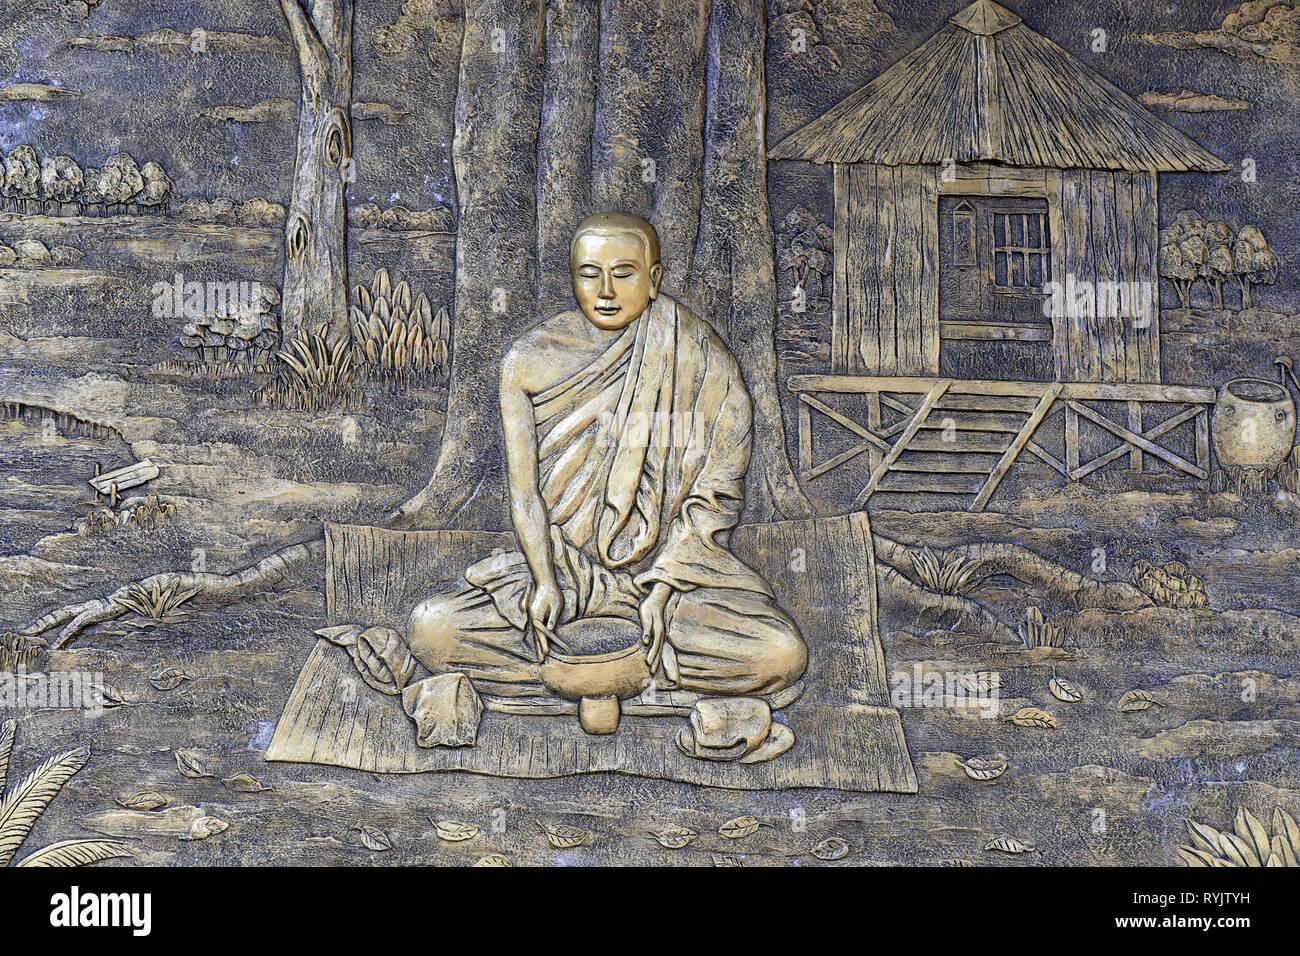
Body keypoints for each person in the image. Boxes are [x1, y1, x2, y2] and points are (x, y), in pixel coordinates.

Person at [405, 212, 806, 700]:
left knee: (780, 654)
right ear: (574, 277)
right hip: (567, 574)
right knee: (434, 629)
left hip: (668, 582)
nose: (606, 291)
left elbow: (713, 496)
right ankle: (617, 673)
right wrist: (544, 583)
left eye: (624, 273)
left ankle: (581, 672)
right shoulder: (527, 361)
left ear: (654, 279)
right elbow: (525, 494)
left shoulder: (701, 357)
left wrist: (661, 590)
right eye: (590, 274)